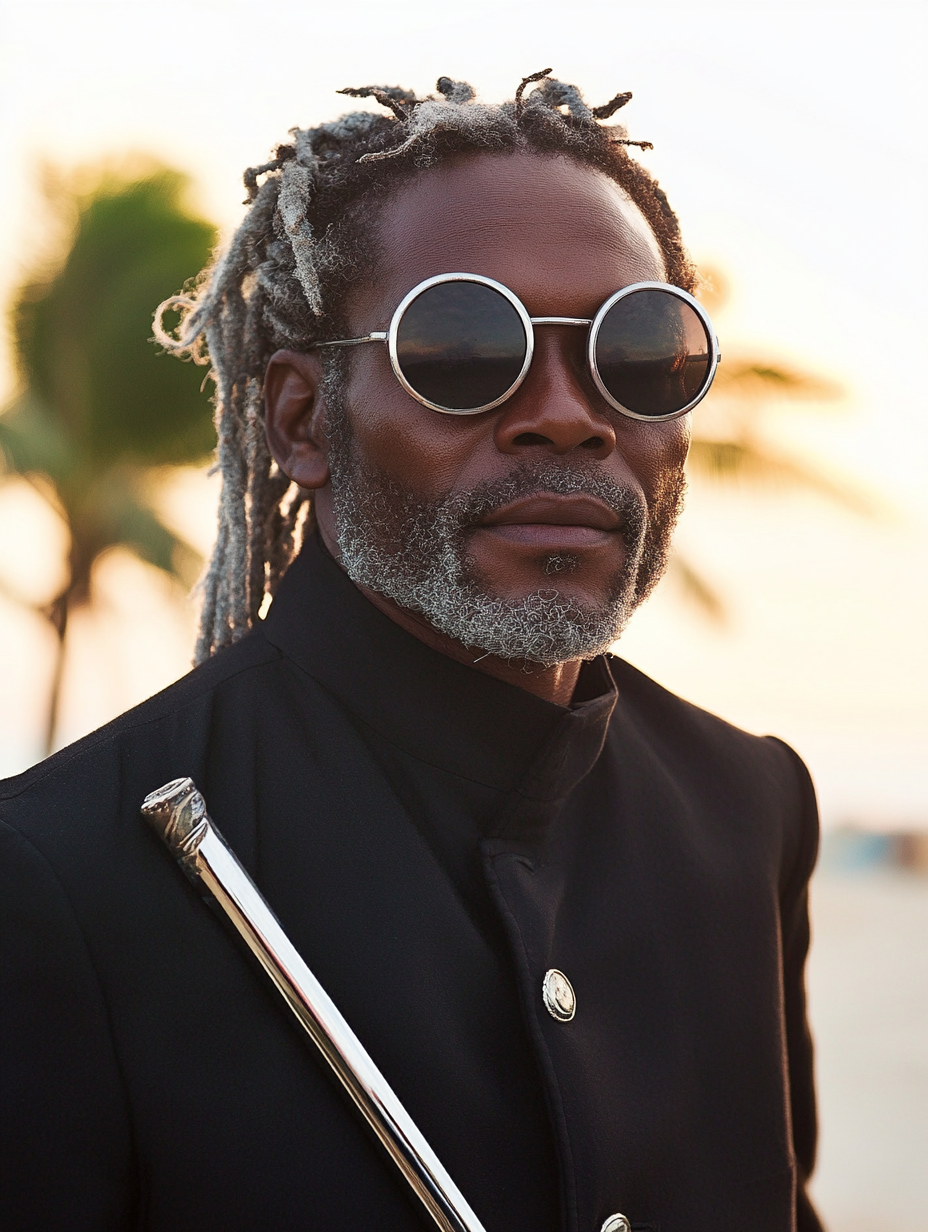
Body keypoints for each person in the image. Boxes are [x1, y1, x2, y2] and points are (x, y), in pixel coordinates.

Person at [0, 73, 822, 1232]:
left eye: (635, 350)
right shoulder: (53, 877)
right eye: (462, 341)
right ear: (301, 419)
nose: (569, 410)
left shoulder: (749, 803)